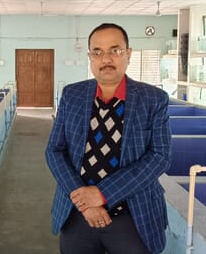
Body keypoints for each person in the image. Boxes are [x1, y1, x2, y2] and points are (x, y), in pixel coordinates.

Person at [45, 23, 172, 254]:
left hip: (133, 216)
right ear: (90, 57)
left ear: (128, 54)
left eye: (115, 50)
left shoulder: (153, 99)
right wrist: (84, 201)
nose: (106, 59)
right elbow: (54, 150)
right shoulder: (72, 95)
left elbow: (160, 156)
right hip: (77, 214)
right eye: (97, 52)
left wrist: (102, 194)